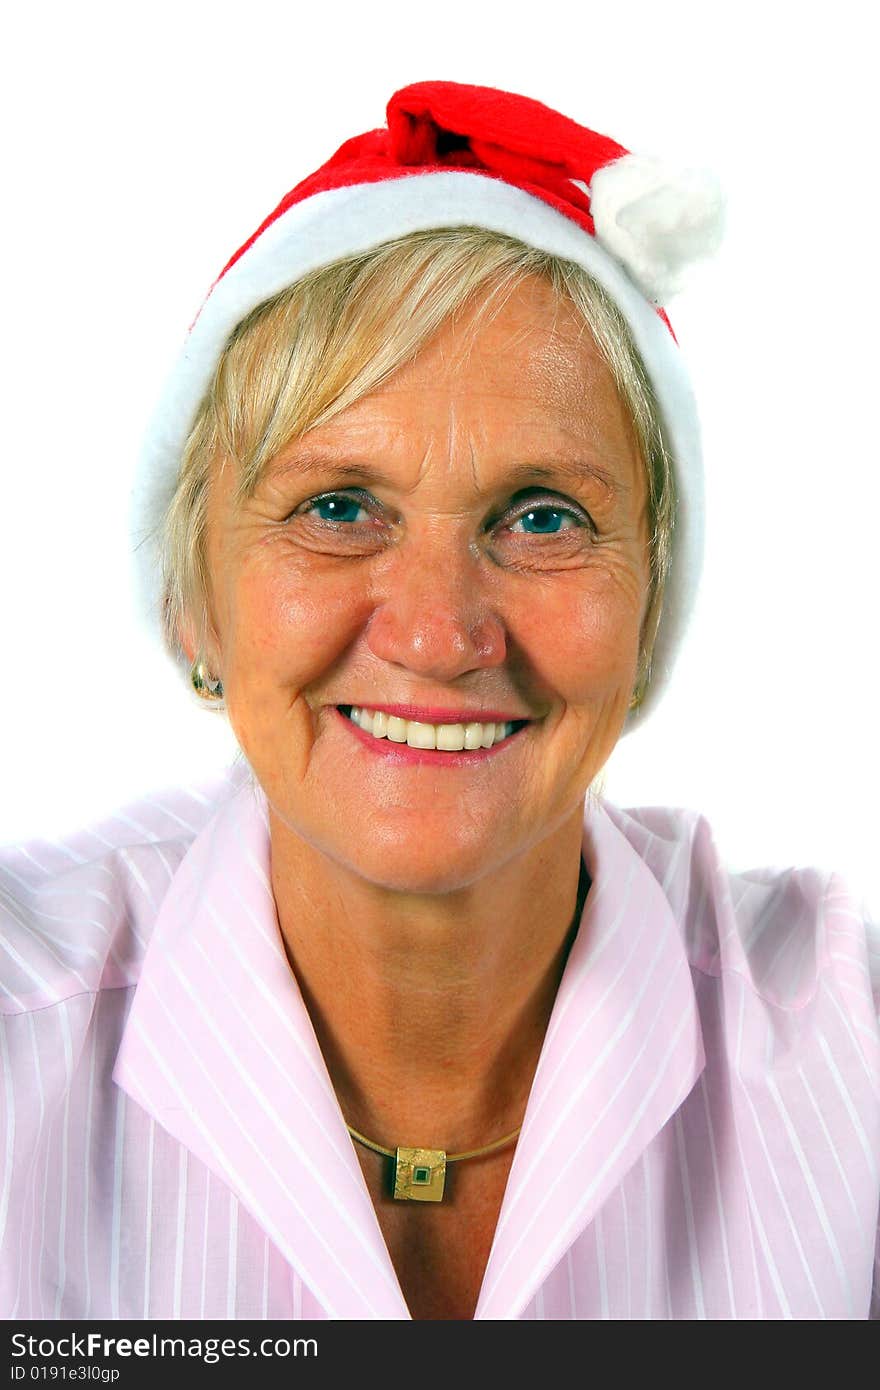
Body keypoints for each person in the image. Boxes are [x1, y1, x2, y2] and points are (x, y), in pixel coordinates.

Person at [1, 80, 878, 1322]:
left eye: (540, 517)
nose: (435, 631)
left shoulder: (852, 1054)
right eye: (338, 508)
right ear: (192, 603)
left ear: (647, 617)